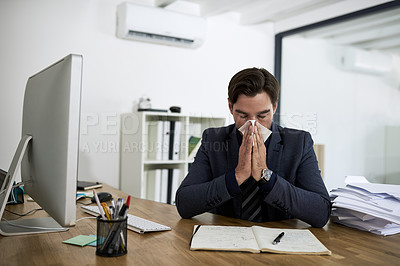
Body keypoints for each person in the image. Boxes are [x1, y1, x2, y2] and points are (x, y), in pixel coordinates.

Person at [175, 67, 331, 228]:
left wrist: (266, 176)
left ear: (274, 107)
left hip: (280, 241)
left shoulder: (299, 143)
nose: (253, 124)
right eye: (243, 116)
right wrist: (237, 176)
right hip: (226, 240)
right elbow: (184, 203)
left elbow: (321, 212)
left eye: (262, 116)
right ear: (230, 107)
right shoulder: (214, 140)